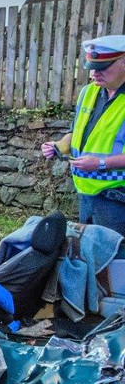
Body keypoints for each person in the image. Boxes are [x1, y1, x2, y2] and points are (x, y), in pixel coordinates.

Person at [43, 35, 125, 236]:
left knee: (115, 254)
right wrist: (59, 146)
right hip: (86, 195)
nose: (94, 73)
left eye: (102, 67)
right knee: (89, 251)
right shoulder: (88, 92)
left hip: (118, 200)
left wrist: (100, 163)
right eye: (92, 67)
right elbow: (76, 132)